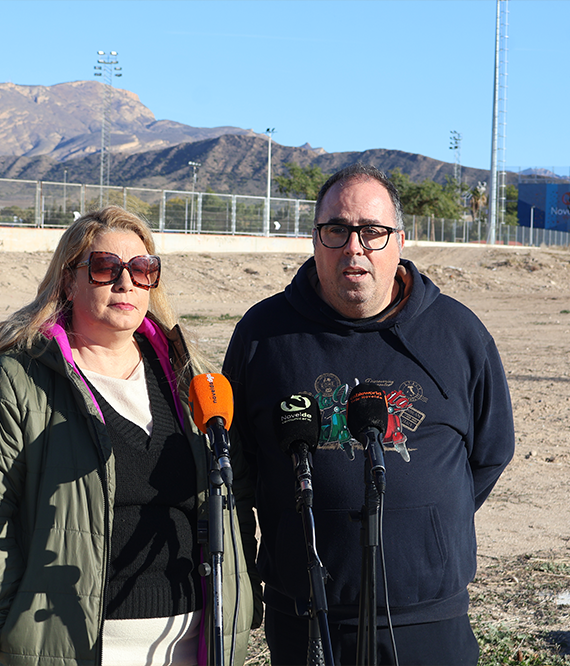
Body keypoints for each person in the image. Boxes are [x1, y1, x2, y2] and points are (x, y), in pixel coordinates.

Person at [0, 206, 254, 666]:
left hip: (193, 647)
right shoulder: (11, 380)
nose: (126, 282)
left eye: (143, 269)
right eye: (106, 268)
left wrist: (241, 600)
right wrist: (11, 635)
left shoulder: (190, 377)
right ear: (69, 280)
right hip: (65, 650)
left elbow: (233, 498)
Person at [224, 164, 515, 666]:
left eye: (372, 231)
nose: (354, 248)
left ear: (400, 240)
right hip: (306, 618)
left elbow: (490, 453)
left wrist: (425, 527)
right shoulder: (263, 335)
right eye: (336, 230)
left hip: (427, 620)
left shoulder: (457, 333)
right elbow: (240, 465)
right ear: (314, 238)